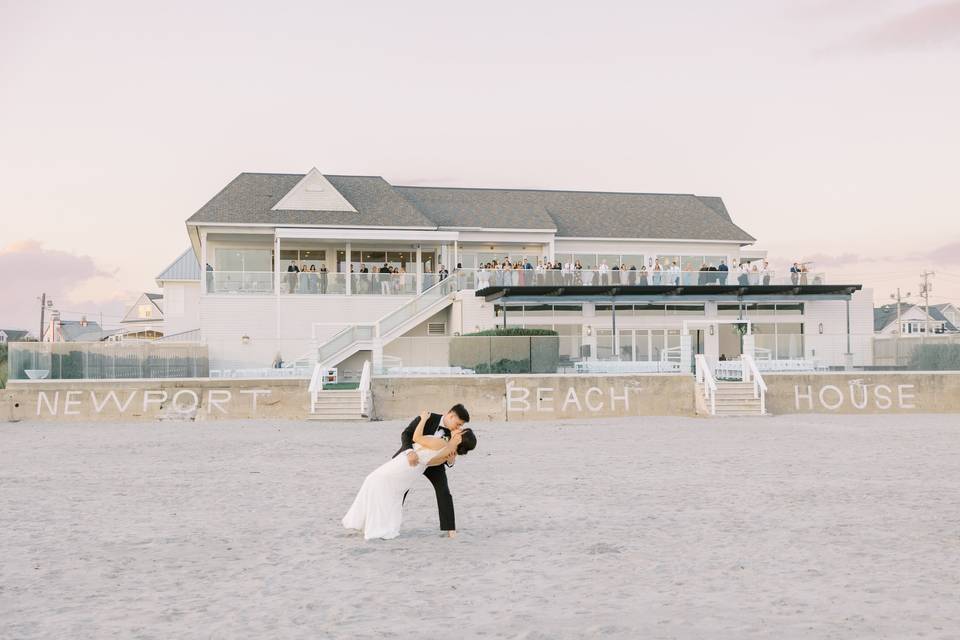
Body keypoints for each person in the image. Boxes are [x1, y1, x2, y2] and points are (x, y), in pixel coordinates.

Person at [342, 405, 476, 540]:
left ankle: (450, 529)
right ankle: (385, 521)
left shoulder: (453, 435)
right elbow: (406, 434)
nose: (458, 428)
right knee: (397, 490)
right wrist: (410, 452)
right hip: (411, 457)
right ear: (450, 415)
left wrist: (451, 460)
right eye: (458, 424)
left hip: (433, 464)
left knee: (444, 491)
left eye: (461, 426)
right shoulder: (429, 417)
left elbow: (449, 455)